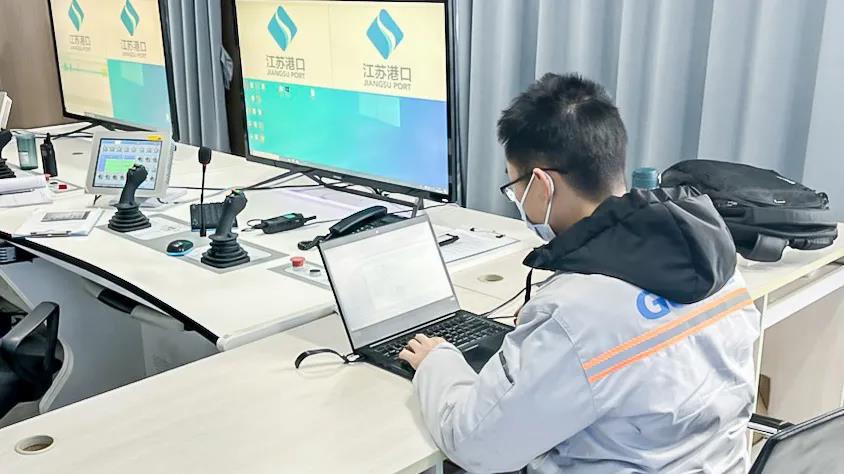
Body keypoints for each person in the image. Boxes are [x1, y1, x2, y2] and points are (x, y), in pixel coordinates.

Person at [399, 73, 760, 473]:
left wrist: (437, 363)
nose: (515, 196)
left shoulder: (577, 313)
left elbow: (474, 443)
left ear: (542, 184)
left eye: (512, 183)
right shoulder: (715, 261)